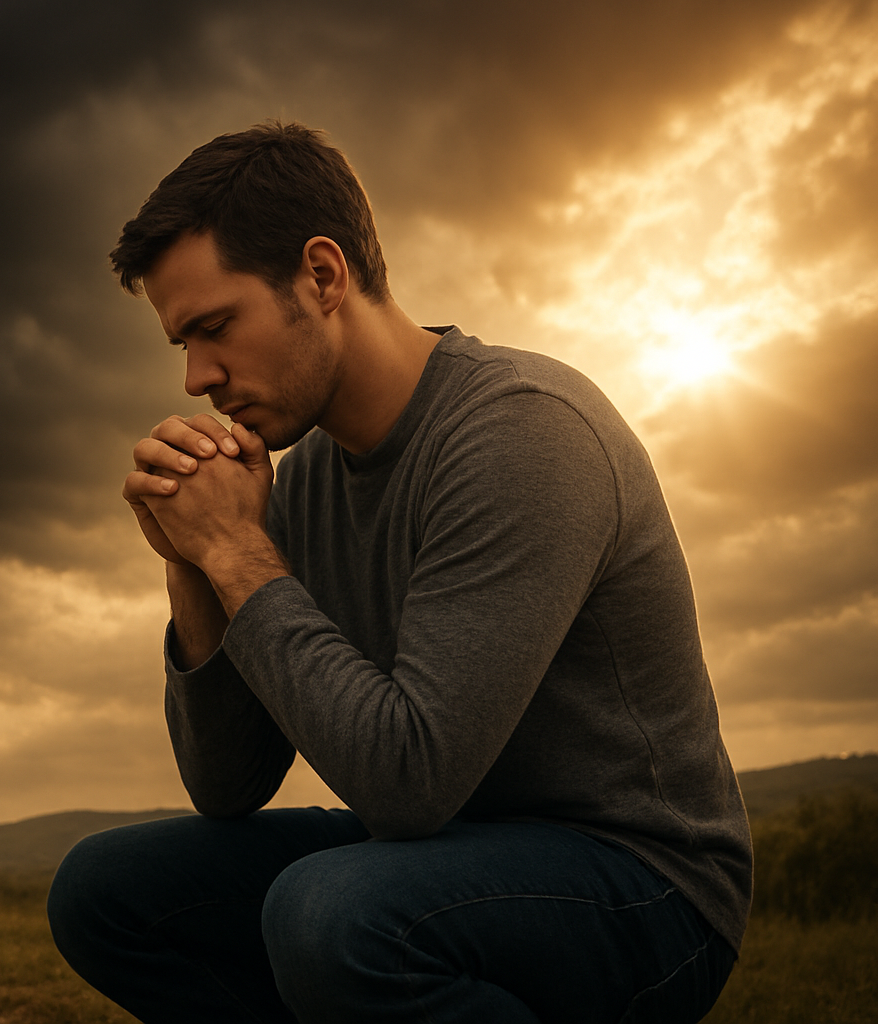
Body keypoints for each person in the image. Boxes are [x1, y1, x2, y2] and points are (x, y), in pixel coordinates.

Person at [47, 122, 752, 1023]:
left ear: (322, 276)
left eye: (214, 327)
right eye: (181, 343)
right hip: (450, 846)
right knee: (106, 890)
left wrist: (236, 552)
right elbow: (228, 785)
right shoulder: (300, 483)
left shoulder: (522, 432)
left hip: (644, 882)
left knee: (332, 914)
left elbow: (407, 783)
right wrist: (193, 566)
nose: (196, 378)